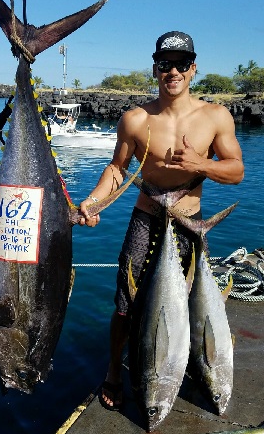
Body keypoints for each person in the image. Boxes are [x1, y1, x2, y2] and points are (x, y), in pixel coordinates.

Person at [78, 31, 244, 410]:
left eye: (181, 64)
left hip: (190, 223)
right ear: (155, 68)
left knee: (192, 303)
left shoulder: (215, 116)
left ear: (193, 69)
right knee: (125, 301)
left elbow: (236, 171)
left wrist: (200, 164)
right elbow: (117, 170)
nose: (173, 71)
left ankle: (184, 363)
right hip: (145, 217)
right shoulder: (135, 120)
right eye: (165, 63)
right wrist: (93, 203)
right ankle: (115, 372)